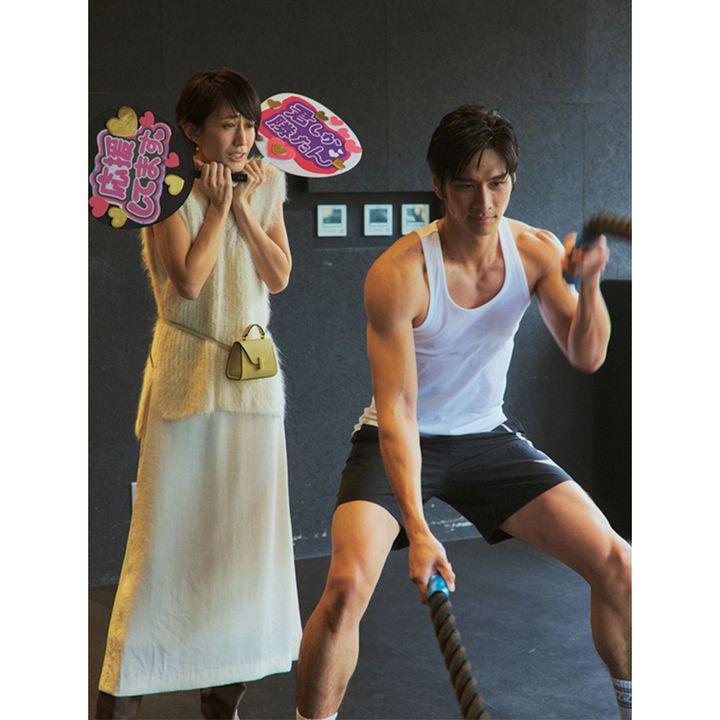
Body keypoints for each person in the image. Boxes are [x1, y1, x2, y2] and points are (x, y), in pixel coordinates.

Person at [295, 105, 632, 720]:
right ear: (438, 184)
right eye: (466, 185)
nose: (484, 202)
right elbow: (398, 411)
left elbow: (587, 354)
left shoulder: (533, 251)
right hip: (399, 438)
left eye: (497, 182)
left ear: (512, 180)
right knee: (344, 590)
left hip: (486, 437)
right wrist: (419, 529)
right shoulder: (399, 274)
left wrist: (589, 286)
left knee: (619, 565)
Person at [95, 68, 302, 719]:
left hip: (253, 389)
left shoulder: (268, 185)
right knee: (162, 546)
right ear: (191, 130)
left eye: (249, 125)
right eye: (227, 125)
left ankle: (224, 695)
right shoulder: (161, 188)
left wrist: (240, 206)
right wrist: (215, 209)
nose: (242, 139)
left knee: (244, 549)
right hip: (186, 379)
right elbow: (188, 281)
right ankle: (123, 690)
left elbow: (279, 275)